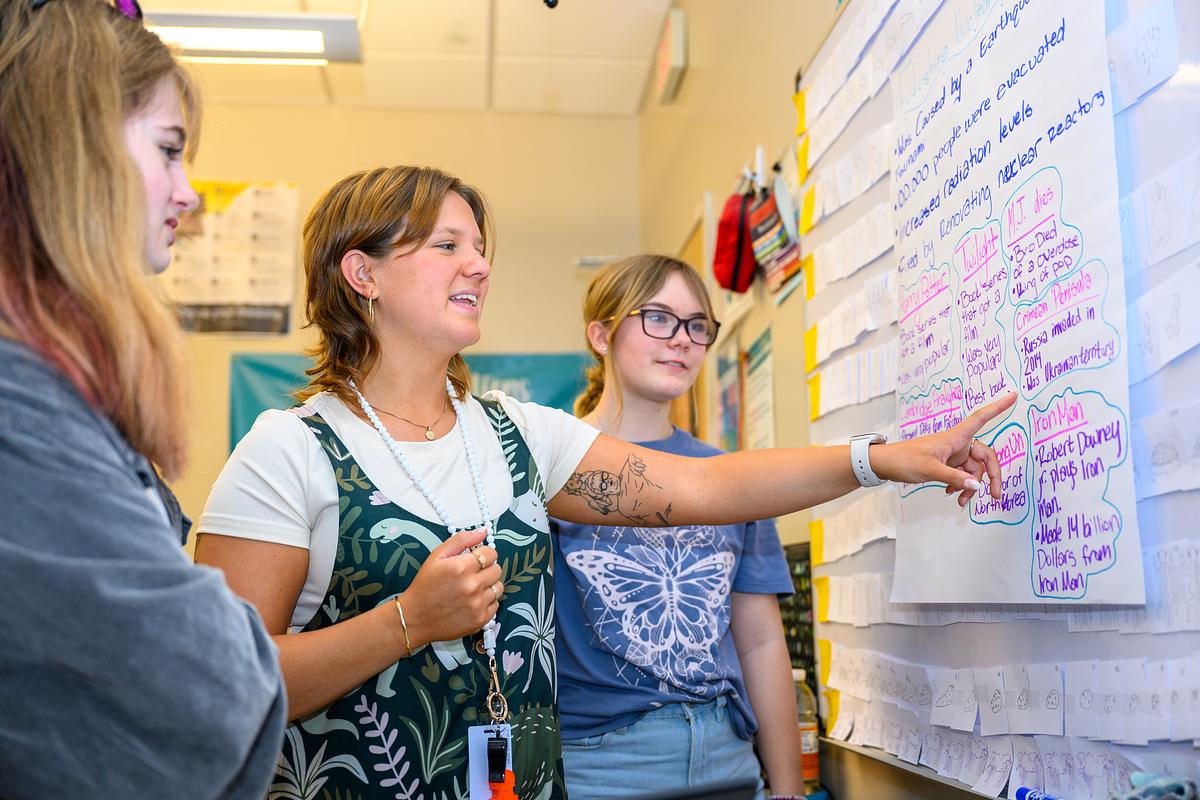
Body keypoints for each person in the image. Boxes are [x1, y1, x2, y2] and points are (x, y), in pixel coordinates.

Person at [194, 164, 1014, 800]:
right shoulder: (288, 451)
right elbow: (221, 686)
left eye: (480, 246)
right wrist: (406, 622)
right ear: (361, 274)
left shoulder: (521, 436)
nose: (478, 263)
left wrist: (879, 457)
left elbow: (711, 488)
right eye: (446, 245)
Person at [0, 2, 287, 797]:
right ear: (77, 147)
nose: (188, 195)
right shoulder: (21, 396)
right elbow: (214, 693)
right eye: (169, 151)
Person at [550, 254, 801, 799]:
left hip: (728, 759)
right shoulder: (551, 464)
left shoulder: (730, 475)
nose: (682, 339)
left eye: (696, 325)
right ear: (601, 334)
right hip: (601, 768)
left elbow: (759, 642)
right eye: (658, 318)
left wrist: (787, 790)